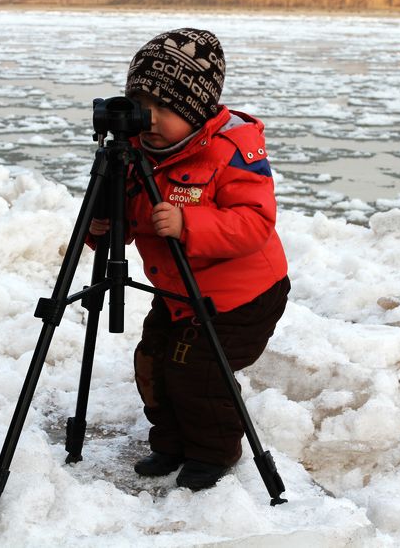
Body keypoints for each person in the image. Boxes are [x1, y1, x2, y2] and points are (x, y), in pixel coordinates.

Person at [90, 27, 289, 491]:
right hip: (178, 290)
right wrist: (102, 226)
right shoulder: (133, 150)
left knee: (197, 371)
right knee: (154, 361)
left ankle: (213, 452)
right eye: (142, 104)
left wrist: (189, 224)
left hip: (242, 297)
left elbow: (255, 222)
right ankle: (172, 442)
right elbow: (126, 216)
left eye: (165, 109)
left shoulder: (233, 152)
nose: (150, 119)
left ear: (196, 108)